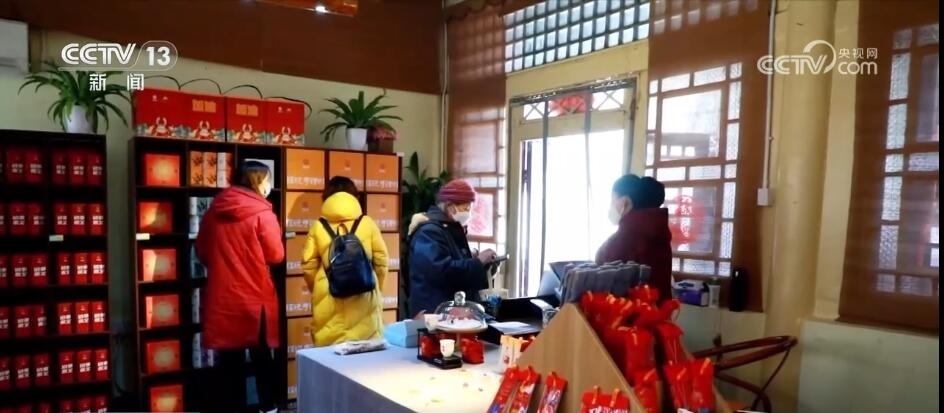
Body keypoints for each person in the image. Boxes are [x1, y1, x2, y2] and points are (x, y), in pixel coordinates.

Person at [195, 160, 284, 413]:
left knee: (229, 364)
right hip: (256, 299)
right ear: (258, 180)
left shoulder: (213, 211)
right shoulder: (263, 214)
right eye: (267, 179)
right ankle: (268, 408)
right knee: (262, 360)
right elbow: (276, 255)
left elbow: (202, 251)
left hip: (223, 299)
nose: (269, 185)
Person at [301, 176, 389, 346]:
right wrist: (376, 286)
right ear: (355, 196)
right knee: (365, 354)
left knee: (329, 356)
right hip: (364, 295)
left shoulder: (318, 226)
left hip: (329, 295)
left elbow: (308, 264)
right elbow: (381, 261)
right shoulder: (367, 223)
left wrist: (320, 286)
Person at [408, 179, 497, 316]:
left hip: (452, 312)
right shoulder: (429, 232)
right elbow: (443, 271)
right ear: (450, 206)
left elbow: (454, 260)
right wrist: (478, 262)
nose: (468, 212)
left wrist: (477, 261)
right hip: (435, 313)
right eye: (465, 208)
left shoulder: (450, 228)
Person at [595, 174, 673, 302]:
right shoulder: (659, 233)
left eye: (613, 199)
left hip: (627, 313)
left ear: (625, 202)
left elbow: (603, 293)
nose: (611, 206)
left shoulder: (622, 240)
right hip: (658, 312)